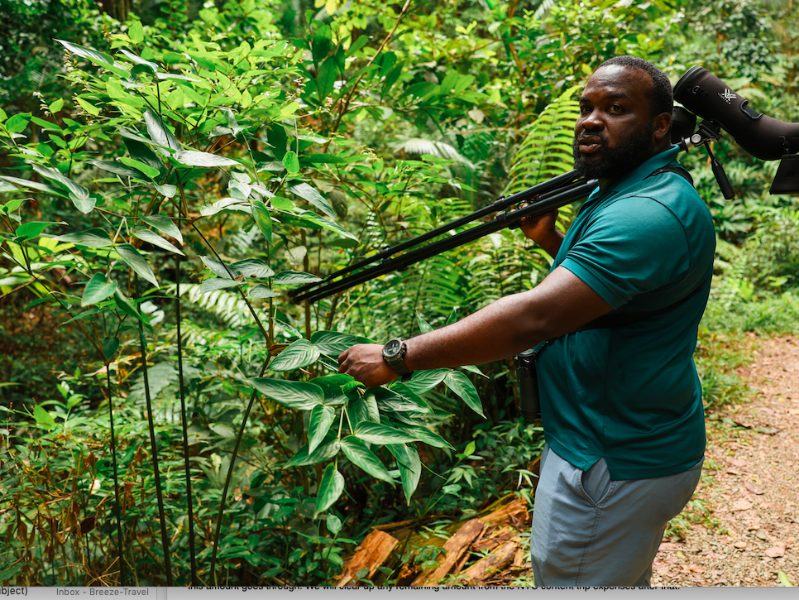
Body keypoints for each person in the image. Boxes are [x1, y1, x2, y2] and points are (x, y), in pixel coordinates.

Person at [337, 56, 716, 586]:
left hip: (613, 455)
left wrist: (396, 357)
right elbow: (613, 294)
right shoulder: (624, 186)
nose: (591, 120)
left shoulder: (647, 212)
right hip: (614, 431)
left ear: (659, 125)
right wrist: (549, 240)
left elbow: (533, 317)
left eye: (615, 108)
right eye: (586, 107)